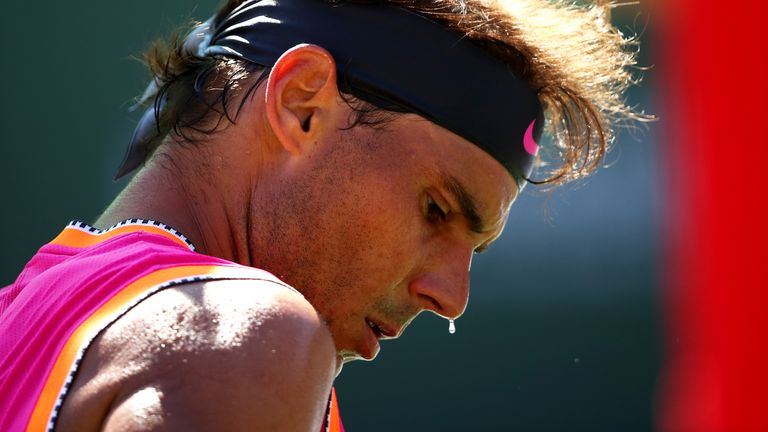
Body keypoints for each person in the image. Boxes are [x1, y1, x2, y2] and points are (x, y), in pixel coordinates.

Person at [0, 0, 648, 430]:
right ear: (303, 104)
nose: (451, 296)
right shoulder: (247, 337)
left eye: (474, 250)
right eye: (436, 209)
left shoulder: (23, 317)